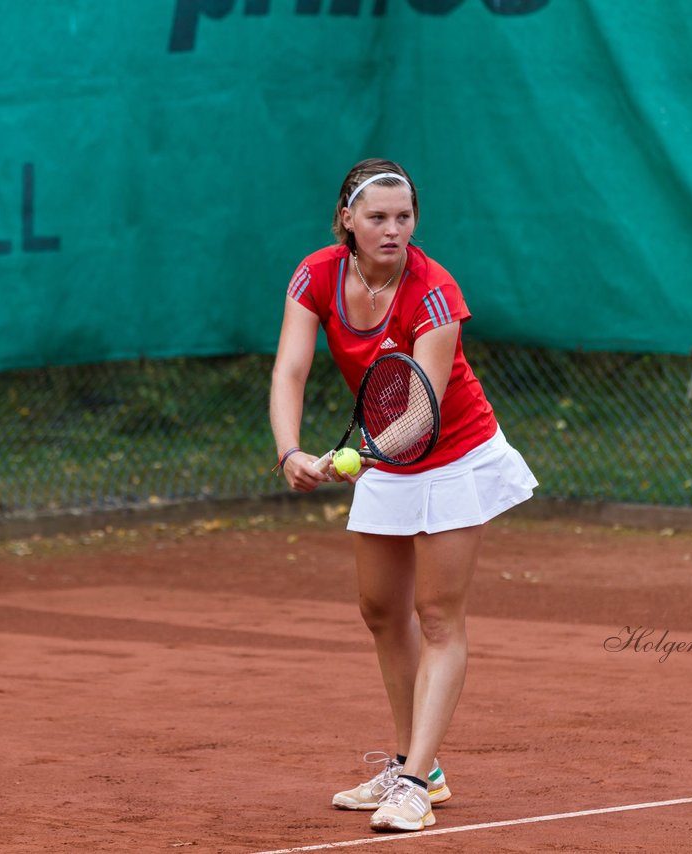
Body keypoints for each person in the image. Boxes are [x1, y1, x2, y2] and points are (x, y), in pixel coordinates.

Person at [269, 158, 537, 833]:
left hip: (454, 455)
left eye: (404, 217)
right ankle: (415, 763)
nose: (393, 230)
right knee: (382, 611)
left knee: (438, 615)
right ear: (347, 221)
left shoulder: (436, 293)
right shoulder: (315, 275)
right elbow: (290, 368)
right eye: (378, 217)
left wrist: (355, 457)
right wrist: (292, 451)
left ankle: (416, 782)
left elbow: (422, 409)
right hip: (385, 454)